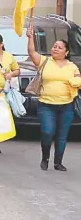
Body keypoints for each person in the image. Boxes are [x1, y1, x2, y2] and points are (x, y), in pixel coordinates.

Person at [26, 25, 80, 171]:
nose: (55, 49)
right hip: (46, 105)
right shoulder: (45, 61)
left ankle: (58, 163)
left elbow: (78, 80)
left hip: (66, 106)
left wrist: (75, 81)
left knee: (62, 136)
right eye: (54, 46)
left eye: (59, 47)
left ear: (66, 52)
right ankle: (45, 158)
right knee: (48, 131)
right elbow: (32, 52)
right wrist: (30, 38)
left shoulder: (72, 67)